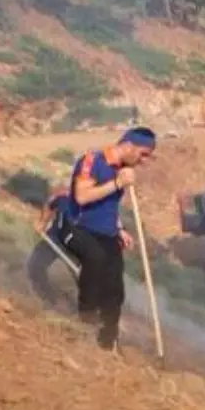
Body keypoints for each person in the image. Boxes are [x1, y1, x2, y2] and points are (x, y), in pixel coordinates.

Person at [59, 126, 156, 351]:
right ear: (128, 145)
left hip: (106, 232)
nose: (143, 161)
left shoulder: (122, 168)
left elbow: (108, 206)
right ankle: (85, 318)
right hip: (76, 227)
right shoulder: (93, 160)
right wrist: (117, 183)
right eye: (143, 154)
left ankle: (107, 342)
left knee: (115, 291)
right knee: (96, 259)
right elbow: (82, 197)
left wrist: (119, 228)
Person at [25, 186, 78, 307]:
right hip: (55, 238)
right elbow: (50, 205)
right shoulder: (64, 197)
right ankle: (47, 299)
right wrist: (42, 222)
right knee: (34, 266)